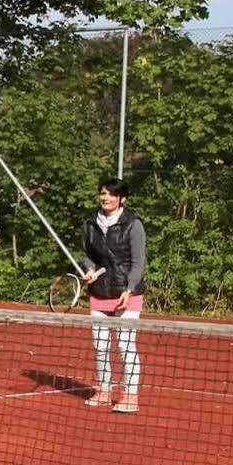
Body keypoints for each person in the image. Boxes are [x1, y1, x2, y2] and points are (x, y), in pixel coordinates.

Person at [79, 177, 146, 415]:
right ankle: (104, 390)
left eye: (110, 194)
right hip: (99, 293)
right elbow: (87, 255)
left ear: (122, 199)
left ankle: (130, 395)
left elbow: (138, 263)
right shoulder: (90, 224)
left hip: (127, 295)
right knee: (100, 345)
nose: (105, 197)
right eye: (102, 193)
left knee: (126, 346)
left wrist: (129, 289)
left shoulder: (133, 224)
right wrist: (89, 269)